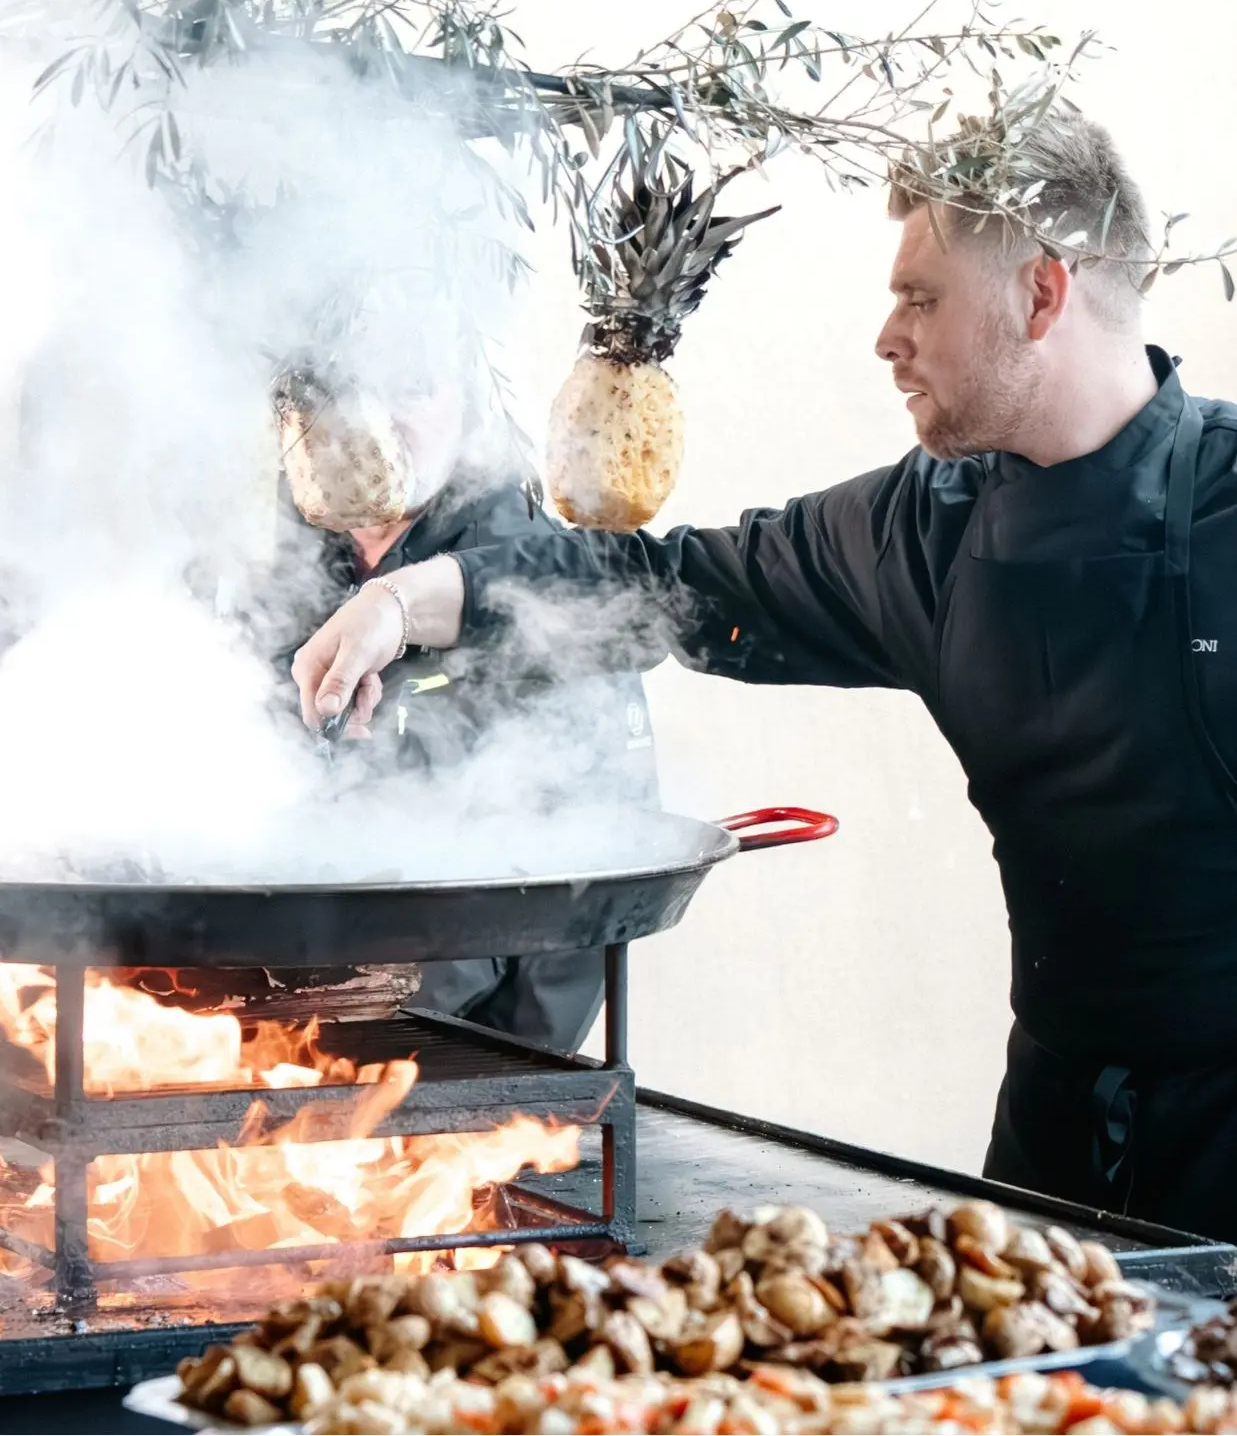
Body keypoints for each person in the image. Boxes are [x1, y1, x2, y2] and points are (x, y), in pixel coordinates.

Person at [289, 110, 1237, 1243]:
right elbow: (667, 585)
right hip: (1051, 1133)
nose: (886, 337)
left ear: (1040, 296)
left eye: (920, 299)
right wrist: (410, 598)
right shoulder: (921, 532)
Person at [272, 336, 660, 1055]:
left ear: (471, 407)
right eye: (349, 390)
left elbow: (592, 874)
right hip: (260, 1027)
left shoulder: (542, 584)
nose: (377, 419)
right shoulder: (272, 566)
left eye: (413, 387)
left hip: (434, 1058)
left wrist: (498, 1090)